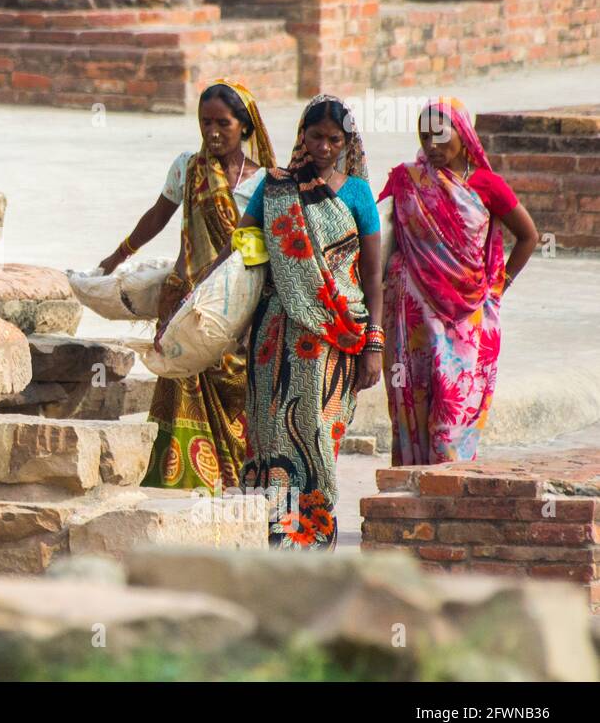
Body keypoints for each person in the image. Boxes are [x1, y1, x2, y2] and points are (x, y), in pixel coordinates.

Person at [195, 94, 383, 549]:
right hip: (274, 334)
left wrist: (375, 344)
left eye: (333, 139)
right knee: (272, 429)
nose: (323, 147)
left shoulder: (357, 192)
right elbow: (240, 248)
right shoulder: (275, 187)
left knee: (318, 432)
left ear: (346, 141)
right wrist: (198, 295)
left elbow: (373, 273)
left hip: (335, 337)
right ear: (302, 137)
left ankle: (314, 535)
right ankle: (272, 535)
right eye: (314, 136)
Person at [98, 80, 275, 492]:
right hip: (185, 302)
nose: (212, 132)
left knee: (237, 392)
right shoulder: (188, 168)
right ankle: (181, 480)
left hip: (233, 306)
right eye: (204, 122)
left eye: (223, 123)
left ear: (245, 127)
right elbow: (158, 215)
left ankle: (236, 481)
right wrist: (118, 255)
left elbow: (258, 249)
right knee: (183, 385)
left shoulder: (265, 182)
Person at [379, 97, 539, 465]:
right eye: (424, 137)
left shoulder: (486, 184)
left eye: (441, 135)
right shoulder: (406, 179)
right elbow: (378, 232)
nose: (432, 146)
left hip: (467, 319)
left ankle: (448, 490)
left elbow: (528, 235)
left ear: (464, 134)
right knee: (413, 406)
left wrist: (500, 286)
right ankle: (409, 498)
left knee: (453, 412)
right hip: (412, 317)